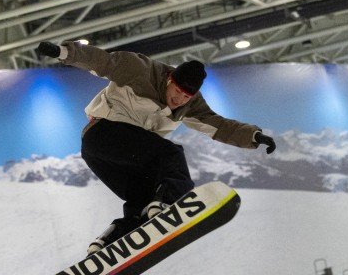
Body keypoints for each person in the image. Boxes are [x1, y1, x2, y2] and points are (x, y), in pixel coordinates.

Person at [35, 40, 276, 253]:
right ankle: (173, 200)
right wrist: (63, 52)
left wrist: (253, 136)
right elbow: (100, 61)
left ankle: (113, 240)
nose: (180, 100)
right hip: (103, 134)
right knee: (170, 154)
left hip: (118, 155)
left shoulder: (190, 105)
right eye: (178, 91)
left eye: (186, 97)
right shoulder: (137, 69)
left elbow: (218, 125)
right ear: (170, 79)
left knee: (143, 195)